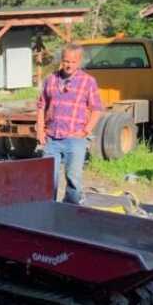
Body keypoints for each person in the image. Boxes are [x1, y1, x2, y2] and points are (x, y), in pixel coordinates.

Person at [35, 43, 103, 204]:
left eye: (72, 62)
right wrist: (40, 130)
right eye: (66, 61)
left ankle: (70, 213)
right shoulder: (51, 79)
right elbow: (41, 106)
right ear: (61, 60)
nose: (68, 65)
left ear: (79, 62)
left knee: (73, 179)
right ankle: (48, 212)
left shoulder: (88, 81)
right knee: (48, 179)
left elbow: (97, 109)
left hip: (75, 139)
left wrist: (86, 131)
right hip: (52, 138)